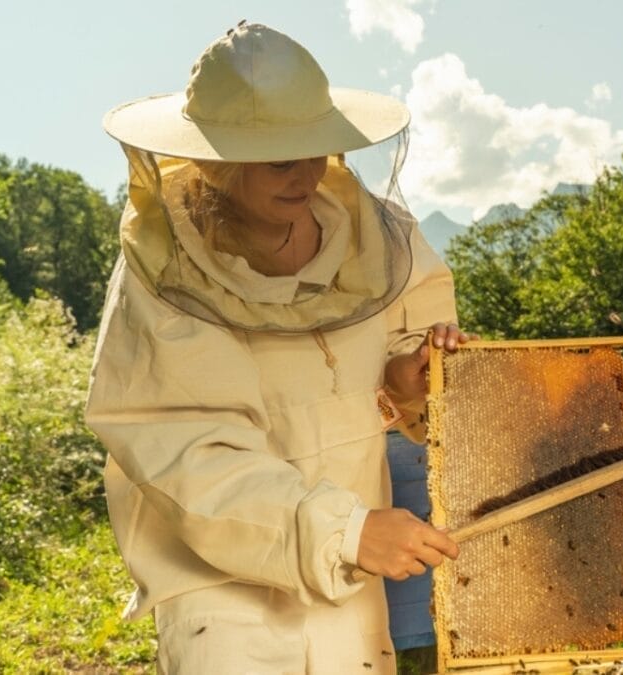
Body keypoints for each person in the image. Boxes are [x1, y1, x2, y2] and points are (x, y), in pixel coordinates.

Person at [85, 22, 471, 674]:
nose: (306, 174)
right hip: (223, 595)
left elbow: (392, 369)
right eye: (279, 160)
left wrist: (410, 380)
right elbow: (182, 448)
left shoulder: (378, 237)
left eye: (315, 149)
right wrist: (341, 529)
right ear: (217, 161)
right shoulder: (162, 270)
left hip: (353, 570)